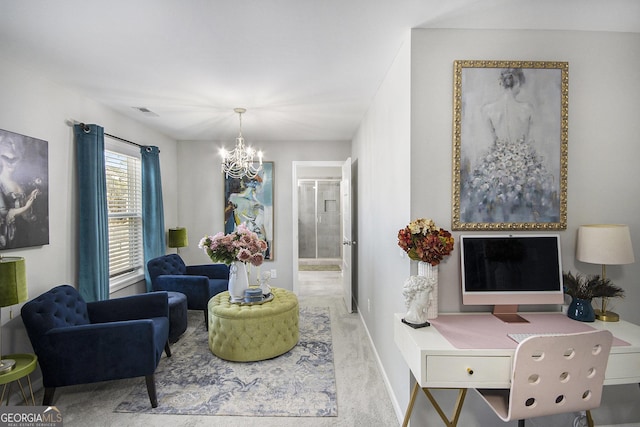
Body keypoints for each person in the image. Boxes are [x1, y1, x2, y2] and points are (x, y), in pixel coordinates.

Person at [461, 68, 557, 223]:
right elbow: (528, 139)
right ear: (518, 83)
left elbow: (491, 140)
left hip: (497, 161)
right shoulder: (527, 109)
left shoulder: (487, 109)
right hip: (523, 162)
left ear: (502, 83)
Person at [0, 133, 41, 248]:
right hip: (9, 236)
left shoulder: (21, 183)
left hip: (24, 234)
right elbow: (7, 214)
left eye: (14, 159)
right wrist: (27, 206)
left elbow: (21, 208)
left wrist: (29, 197)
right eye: (5, 158)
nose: (10, 162)